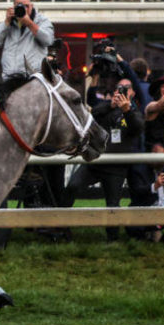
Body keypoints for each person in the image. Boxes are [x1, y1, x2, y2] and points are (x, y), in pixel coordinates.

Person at [67, 78, 144, 240]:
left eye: (125, 88)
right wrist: (111, 105)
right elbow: (92, 113)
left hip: (116, 167)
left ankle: (112, 240)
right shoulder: (105, 108)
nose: (121, 91)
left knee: (113, 205)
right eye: (118, 88)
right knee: (72, 186)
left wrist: (126, 110)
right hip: (95, 162)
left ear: (132, 93)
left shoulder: (134, 111)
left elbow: (137, 128)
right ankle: (60, 228)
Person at [0, 0, 55, 78]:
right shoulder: (9, 22)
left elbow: (48, 41)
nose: (24, 9)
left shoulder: (41, 21)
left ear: (32, 6)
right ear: (13, 7)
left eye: (26, 6)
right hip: (10, 77)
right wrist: (6, 22)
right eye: (20, 6)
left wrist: (30, 24)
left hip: (33, 77)